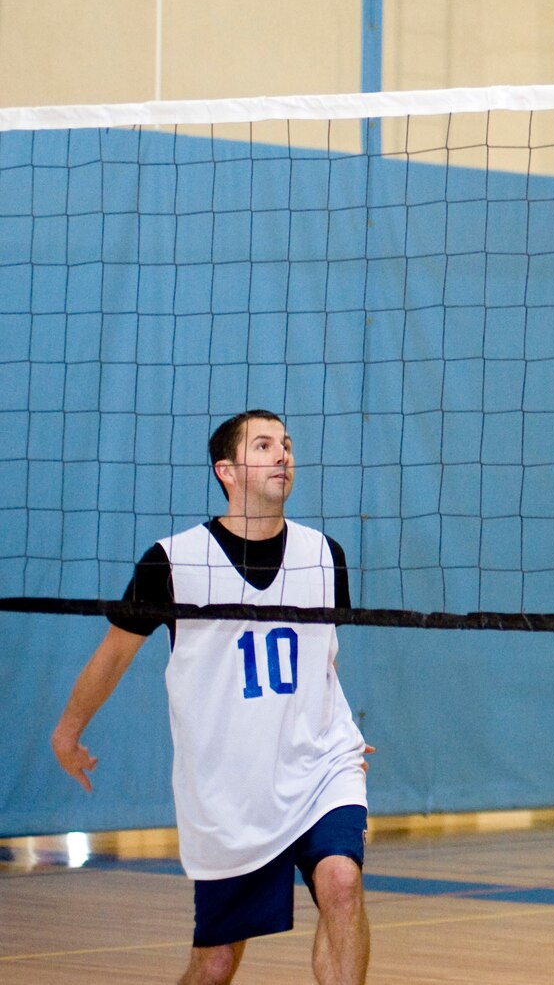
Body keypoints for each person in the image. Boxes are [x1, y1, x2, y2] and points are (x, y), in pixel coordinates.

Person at [49, 410, 371, 985]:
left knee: (342, 885)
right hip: (229, 791)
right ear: (226, 470)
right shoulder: (172, 561)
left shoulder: (326, 553)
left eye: (287, 445)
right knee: (217, 963)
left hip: (321, 766)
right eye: (265, 445)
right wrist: (67, 732)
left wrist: (337, 728)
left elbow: (322, 658)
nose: (283, 455)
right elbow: (113, 655)